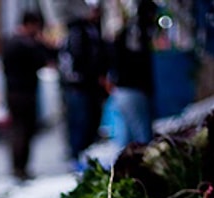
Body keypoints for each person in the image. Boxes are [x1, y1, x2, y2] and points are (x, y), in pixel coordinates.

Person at [2, 10, 53, 181]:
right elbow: (41, 60)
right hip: (24, 92)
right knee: (23, 131)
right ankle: (20, 168)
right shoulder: (25, 44)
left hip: (14, 91)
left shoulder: (11, 42)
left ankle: (19, 167)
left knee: (20, 130)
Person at [58, 0, 110, 167]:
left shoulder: (88, 30)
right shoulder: (79, 31)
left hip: (84, 87)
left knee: (86, 123)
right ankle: (79, 159)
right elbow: (79, 59)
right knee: (81, 123)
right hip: (79, 87)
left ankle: (83, 157)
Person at [109, 0, 157, 148]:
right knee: (143, 141)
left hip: (121, 91)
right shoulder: (138, 32)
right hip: (133, 90)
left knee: (126, 141)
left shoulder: (127, 32)